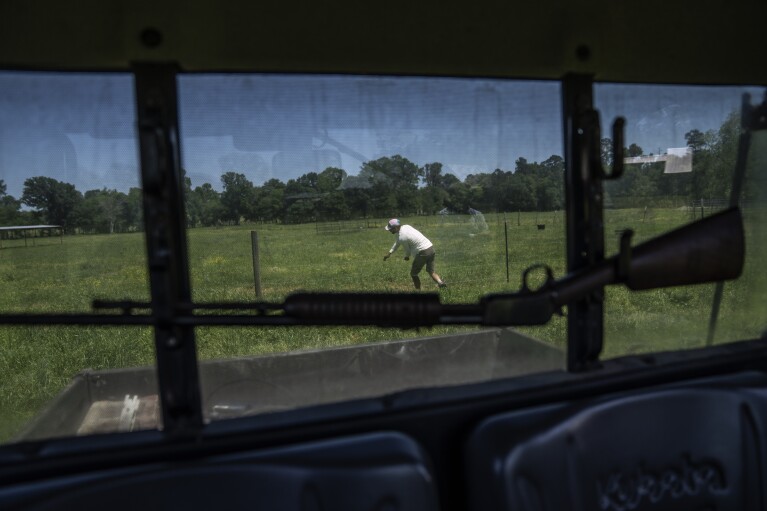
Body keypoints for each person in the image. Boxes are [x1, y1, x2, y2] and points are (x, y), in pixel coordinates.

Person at [383, 218, 447, 290]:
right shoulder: (406, 226)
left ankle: (418, 290)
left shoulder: (402, 237)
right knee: (431, 271)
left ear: (395, 227)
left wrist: (407, 256)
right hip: (430, 248)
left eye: (390, 229)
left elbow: (407, 250)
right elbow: (398, 241)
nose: (389, 230)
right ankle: (440, 283)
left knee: (413, 274)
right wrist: (390, 253)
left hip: (423, 252)